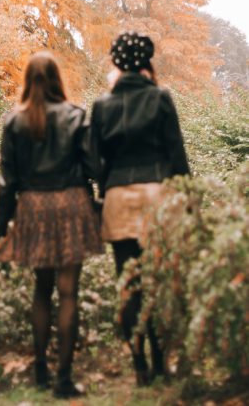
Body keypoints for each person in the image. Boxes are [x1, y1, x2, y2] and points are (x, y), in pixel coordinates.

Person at [0, 51, 102, 398]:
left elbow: (9, 182)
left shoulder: (14, 121)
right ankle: (64, 379)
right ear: (57, 78)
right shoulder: (76, 116)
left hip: (33, 207)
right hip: (71, 204)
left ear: (27, 80)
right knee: (68, 293)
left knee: (41, 289)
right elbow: (95, 167)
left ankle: (40, 371)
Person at [90, 32, 190, 386]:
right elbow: (177, 155)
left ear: (117, 64)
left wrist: (103, 193)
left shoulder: (102, 106)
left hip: (118, 195)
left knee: (128, 283)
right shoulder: (161, 98)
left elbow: (93, 162)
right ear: (146, 63)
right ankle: (162, 360)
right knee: (158, 277)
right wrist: (188, 203)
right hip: (157, 193)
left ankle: (139, 364)